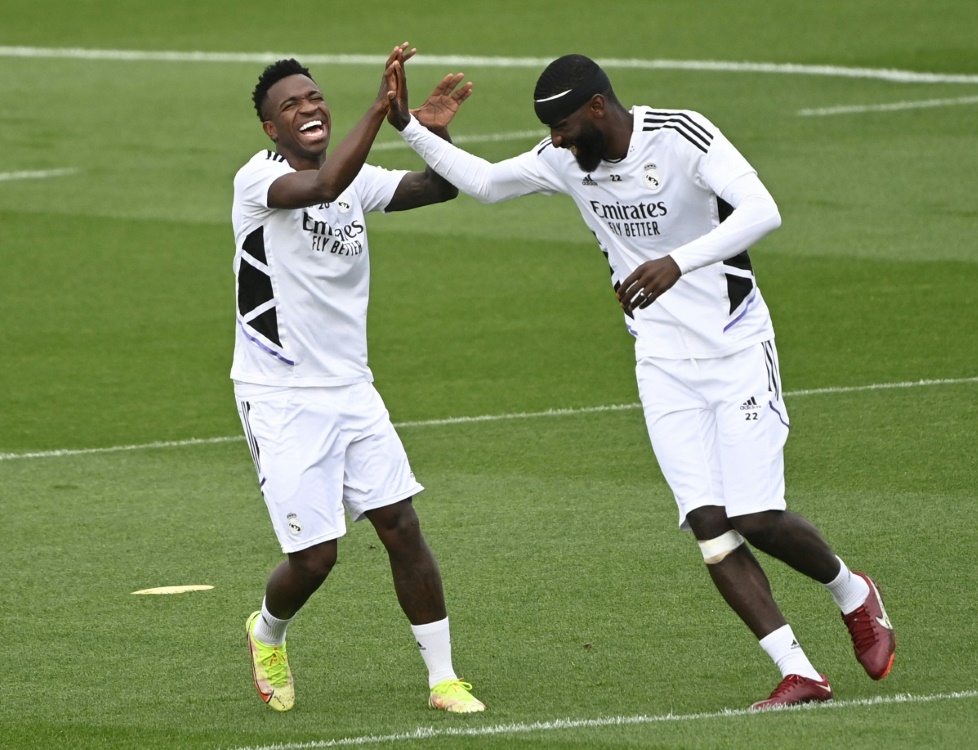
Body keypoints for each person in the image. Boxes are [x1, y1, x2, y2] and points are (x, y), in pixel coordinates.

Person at [388, 53, 896, 710]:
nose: (556, 141)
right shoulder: (567, 161)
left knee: (755, 514)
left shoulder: (681, 136)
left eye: (564, 125)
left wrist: (677, 262)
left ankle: (853, 596)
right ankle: (798, 671)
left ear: (598, 107)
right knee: (710, 527)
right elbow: (486, 184)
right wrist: (409, 127)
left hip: (737, 349)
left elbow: (761, 209)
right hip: (660, 364)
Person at [230, 44, 484, 714]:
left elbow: (439, 187)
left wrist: (427, 132)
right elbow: (319, 188)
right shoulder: (257, 181)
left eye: (312, 97)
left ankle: (442, 679)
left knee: (401, 524)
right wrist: (381, 107)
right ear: (271, 130)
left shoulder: (354, 180)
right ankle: (268, 630)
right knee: (315, 559)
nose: (307, 109)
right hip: (281, 395)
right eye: (290, 106)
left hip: (351, 390)